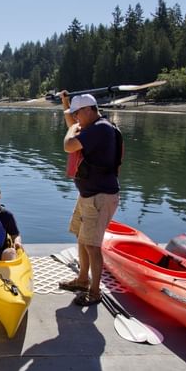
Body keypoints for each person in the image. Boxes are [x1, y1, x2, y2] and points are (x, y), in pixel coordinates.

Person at [59, 92, 122, 306]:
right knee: (82, 238)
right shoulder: (93, 127)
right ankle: (82, 280)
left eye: (78, 113)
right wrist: (65, 103)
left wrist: (70, 130)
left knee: (93, 246)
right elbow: (73, 124)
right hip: (89, 195)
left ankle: (95, 292)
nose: (75, 118)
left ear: (88, 110)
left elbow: (69, 145)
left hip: (99, 197)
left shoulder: (100, 129)